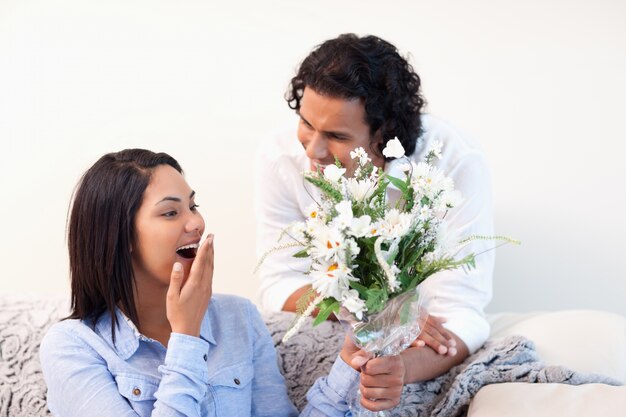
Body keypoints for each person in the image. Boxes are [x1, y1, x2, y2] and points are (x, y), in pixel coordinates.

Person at [40, 149, 406, 416]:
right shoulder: (73, 347)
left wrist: (348, 367)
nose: (195, 223)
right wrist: (186, 335)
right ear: (120, 237)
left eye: (193, 206)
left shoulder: (239, 318)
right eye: (170, 212)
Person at [255, 34, 495, 382]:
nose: (313, 150)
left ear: (384, 134)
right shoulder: (279, 157)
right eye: (307, 124)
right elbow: (277, 283)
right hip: (328, 333)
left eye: (337, 137)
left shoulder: (455, 162)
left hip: (422, 351)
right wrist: (372, 310)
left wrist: (399, 372)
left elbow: (461, 313)